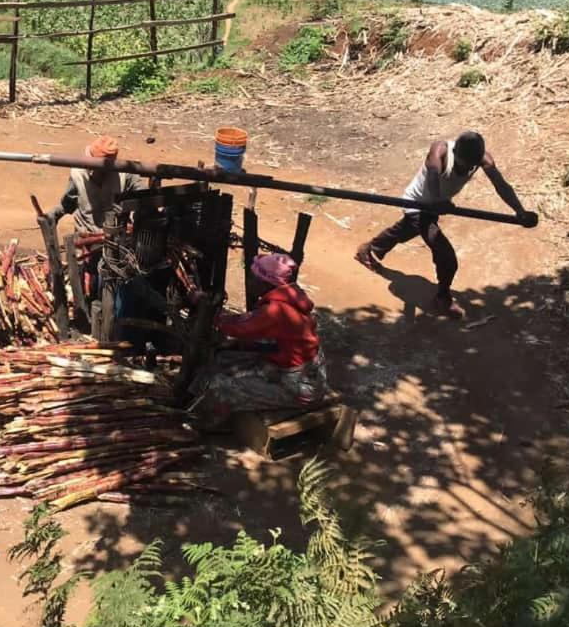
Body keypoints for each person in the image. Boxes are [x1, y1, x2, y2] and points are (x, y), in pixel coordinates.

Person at [355, 131, 534, 319]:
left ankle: (369, 249)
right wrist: (437, 201)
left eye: (473, 164)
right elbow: (433, 175)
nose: (468, 168)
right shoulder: (439, 150)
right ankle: (442, 298)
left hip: (436, 206)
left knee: (408, 229)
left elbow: (501, 185)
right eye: (465, 163)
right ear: (455, 151)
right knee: (446, 255)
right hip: (417, 203)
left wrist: (520, 211)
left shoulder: (482, 159)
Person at [189, 253, 327, 429]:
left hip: (301, 386)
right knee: (223, 359)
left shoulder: (276, 311)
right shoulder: (288, 299)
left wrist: (207, 310)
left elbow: (239, 327)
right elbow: (251, 324)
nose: (249, 281)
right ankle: (193, 401)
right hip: (292, 370)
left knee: (223, 387)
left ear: (267, 283)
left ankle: (201, 425)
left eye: (254, 277)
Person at [46, 135, 145, 233]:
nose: (93, 170)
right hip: (85, 236)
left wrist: (128, 207)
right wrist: (54, 214)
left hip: (116, 236)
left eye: (99, 169)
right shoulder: (78, 173)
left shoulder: (125, 173)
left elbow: (145, 196)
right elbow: (68, 203)